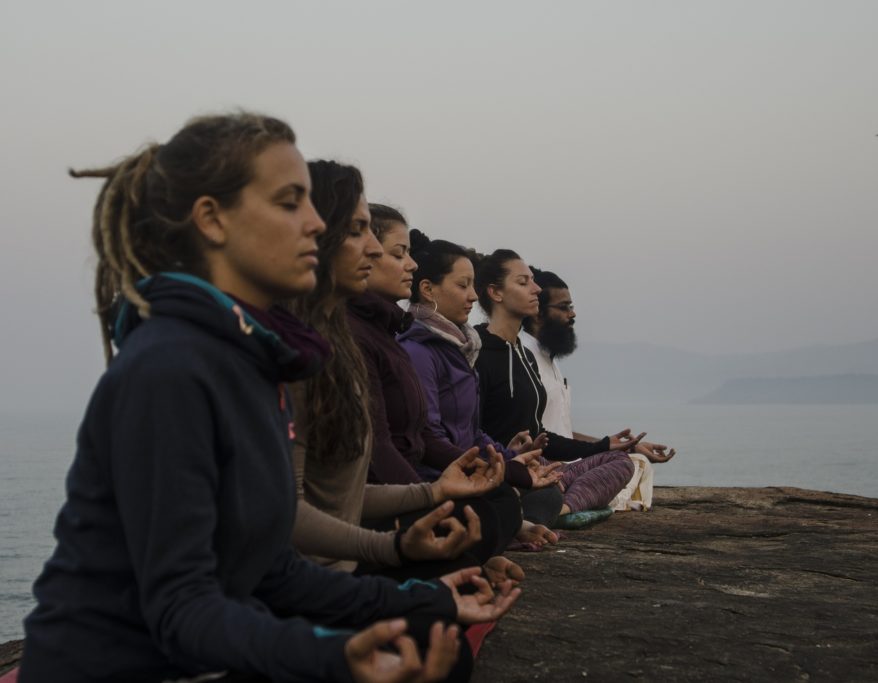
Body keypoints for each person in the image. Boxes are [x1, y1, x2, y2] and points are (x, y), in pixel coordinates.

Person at [19, 113, 517, 683]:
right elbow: (179, 608)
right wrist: (334, 657)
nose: (315, 224)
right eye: (288, 202)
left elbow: (271, 568)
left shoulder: (255, 358)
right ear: (213, 219)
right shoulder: (170, 367)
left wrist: (421, 596)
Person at [289, 162, 516, 583]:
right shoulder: (308, 347)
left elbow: (341, 494)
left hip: (344, 556)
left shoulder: (355, 338)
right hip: (317, 576)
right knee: (462, 557)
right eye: (357, 232)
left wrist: (441, 491)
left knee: (492, 515)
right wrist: (410, 529)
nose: (374, 251)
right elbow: (290, 512)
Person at [347, 203, 528, 572]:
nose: (411, 264)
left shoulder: (392, 335)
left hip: (413, 489)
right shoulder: (402, 344)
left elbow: (462, 432)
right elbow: (389, 446)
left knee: (504, 503)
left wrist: (506, 461)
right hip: (395, 494)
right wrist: (432, 500)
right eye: (399, 253)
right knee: (486, 512)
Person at [396, 230, 564, 530]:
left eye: (473, 286)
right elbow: (429, 439)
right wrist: (503, 469)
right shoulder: (419, 351)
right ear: (428, 289)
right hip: (439, 481)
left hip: (472, 473)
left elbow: (472, 433)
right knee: (502, 505)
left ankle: (516, 522)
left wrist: (511, 456)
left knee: (538, 494)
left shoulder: (462, 348)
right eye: (463, 286)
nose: (473, 296)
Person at [472, 249, 639, 527]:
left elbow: (540, 434)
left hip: (536, 468)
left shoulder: (525, 356)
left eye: (533, 281)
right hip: (501, 471)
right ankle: (547, 510)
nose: (536, 289)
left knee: (622, 461)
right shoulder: (479, 353)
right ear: (495, 293)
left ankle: (559, 508)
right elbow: (470, 431)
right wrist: (516, 464)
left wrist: (603, 444)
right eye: (524, 282)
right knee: (544, 494)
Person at [521, 267, 676, 463]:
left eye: (571, 306)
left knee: (634, 462)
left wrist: (623, 447)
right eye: (563, 307)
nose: (572, 314)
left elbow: (562, 436)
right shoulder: (522, 358)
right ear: (537, 313)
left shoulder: (548, 360)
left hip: (566, 469)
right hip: (545, 474)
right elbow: (533, 437)